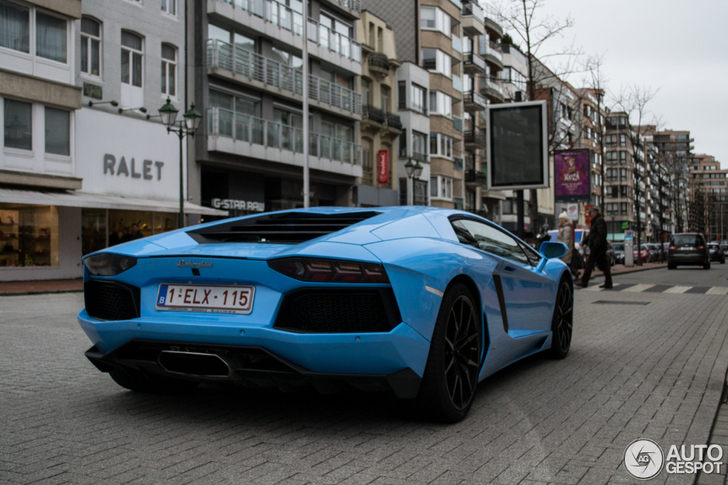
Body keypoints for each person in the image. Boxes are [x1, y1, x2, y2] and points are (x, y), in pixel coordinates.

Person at [579, 206, 612, 289]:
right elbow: (591, 234)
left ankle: (584, 281)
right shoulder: (595, 222)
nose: (590, 214)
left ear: (595, 212)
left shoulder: (599, 221)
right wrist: (584, 241)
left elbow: (602, 234)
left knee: (589, 264)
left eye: (591, 213)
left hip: (598, 247)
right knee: (604, 265)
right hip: (598, 246)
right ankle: (608, 282)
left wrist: (596, 244)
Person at [556, 211, 575, 276]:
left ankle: (573, 273)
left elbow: (566, 240)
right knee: (564, 264)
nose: (561, 220)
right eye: (560, 218)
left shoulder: (566, 228)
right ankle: (575, 273)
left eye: (562, 218)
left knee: (565, 263)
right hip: (561, 248)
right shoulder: (562, 227)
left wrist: (563, 248)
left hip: (564, 249)